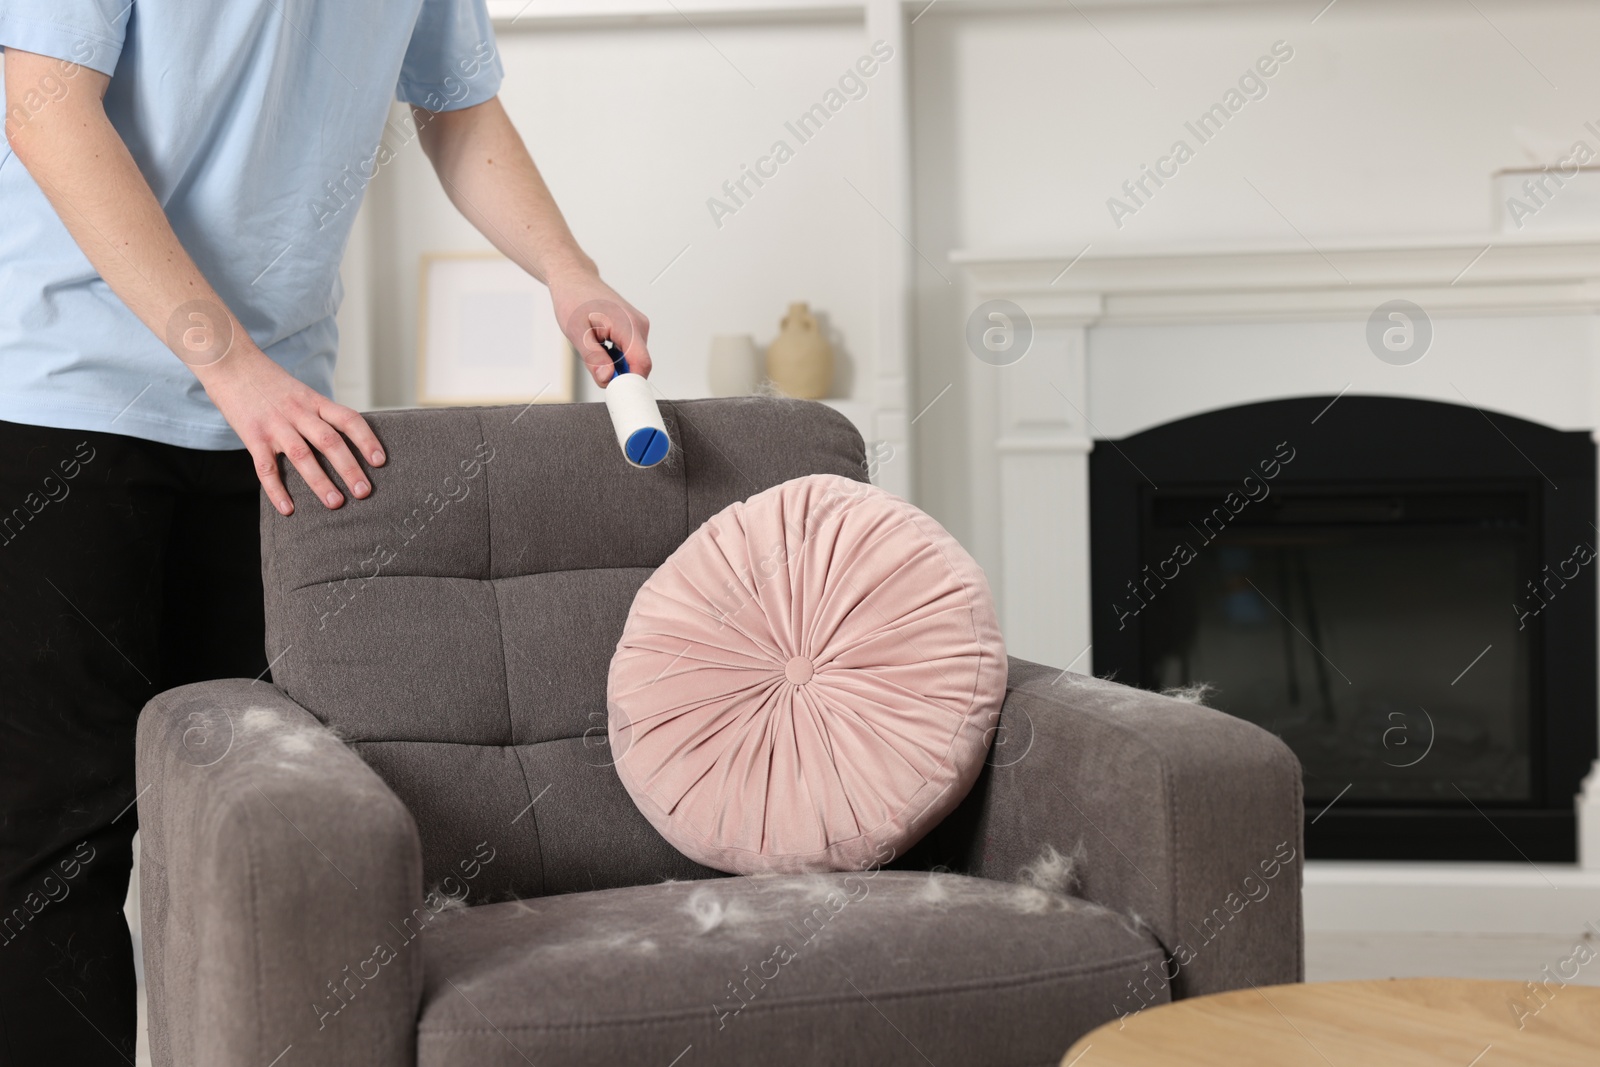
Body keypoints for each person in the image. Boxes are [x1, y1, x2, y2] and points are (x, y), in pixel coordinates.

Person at [0, 2, 651, 1059]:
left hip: (278, 424)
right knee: (51, 849)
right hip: (56, 398)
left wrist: (565, 268)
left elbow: (457, 107)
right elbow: (44, 108)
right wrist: (231, 363)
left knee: (249, 838)